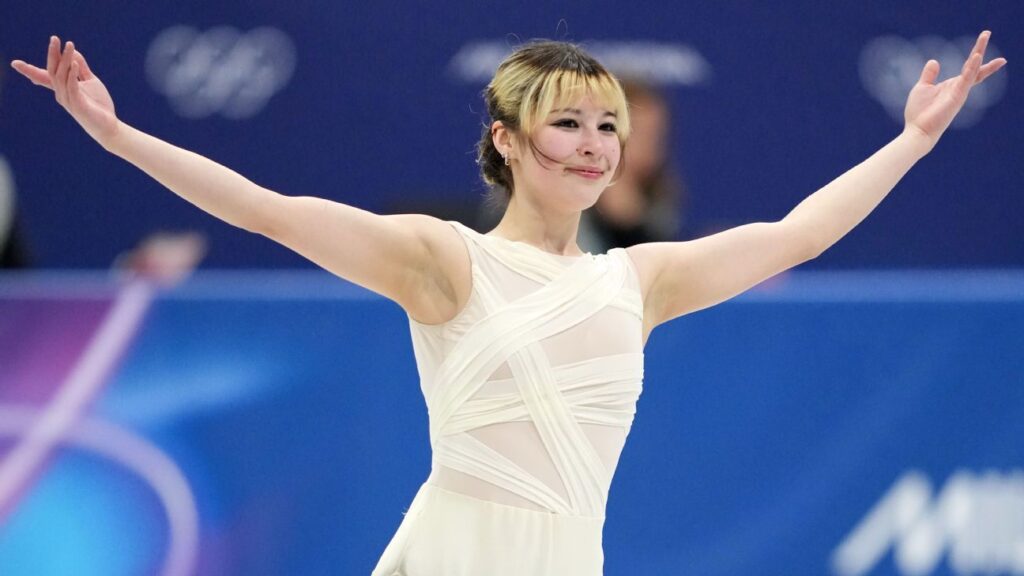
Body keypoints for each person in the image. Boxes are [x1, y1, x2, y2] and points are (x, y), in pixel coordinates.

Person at [11, 32, 1005, 575]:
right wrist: (118, 137)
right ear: (507, 141)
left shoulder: (638, 280)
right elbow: (269, 212)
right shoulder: (440, 261)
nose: (592, 143)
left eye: (606, 124)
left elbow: (800, 237)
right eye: (565, 122)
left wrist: (911, 141)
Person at [577, 78, 686, 253]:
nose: (650, 148)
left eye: (657, 136)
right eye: (640, 135)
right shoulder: (566, 205)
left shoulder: (660, 198)